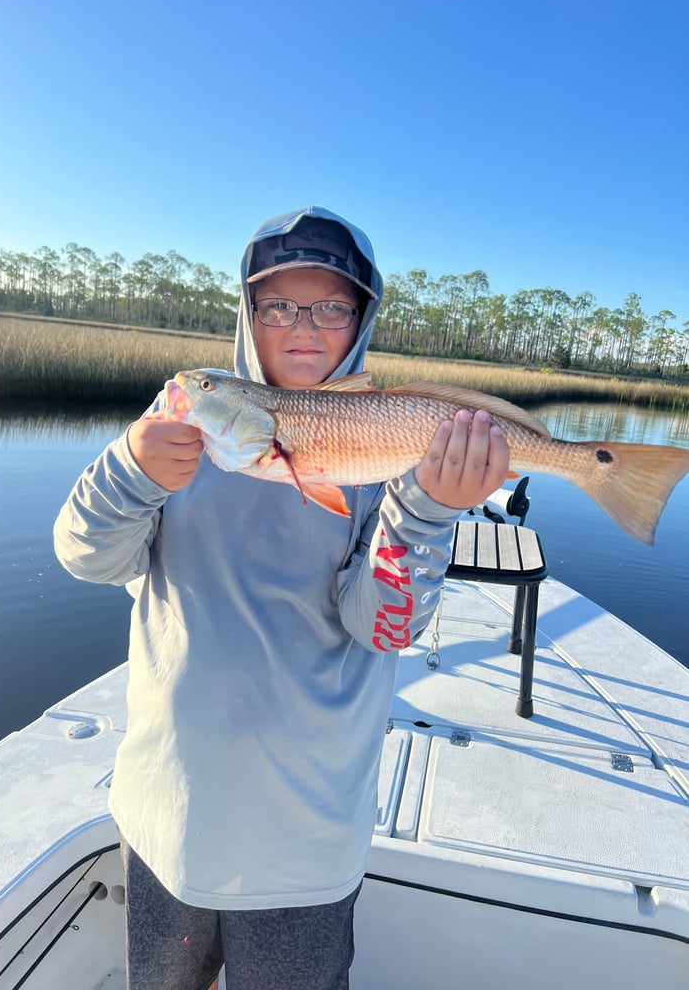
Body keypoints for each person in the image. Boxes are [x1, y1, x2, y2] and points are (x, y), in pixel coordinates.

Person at [54, 206, 509, 989]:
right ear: (248, 312)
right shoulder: (180, 421)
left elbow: (383, 628)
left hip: (307, 843)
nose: (305, 326)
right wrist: (130, 467)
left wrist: (429, 507)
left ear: (361, 320)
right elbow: (87, 557)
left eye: (332, 306)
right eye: (278, 306)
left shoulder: (391, 451)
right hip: (167, 821)